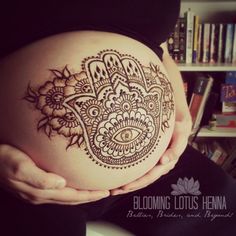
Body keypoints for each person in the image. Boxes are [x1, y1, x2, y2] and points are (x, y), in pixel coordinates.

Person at [0, 1, 235, 235]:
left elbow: (159, 48)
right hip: (22, 181)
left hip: (153, 172)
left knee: (224, 207)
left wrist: (182, 115)